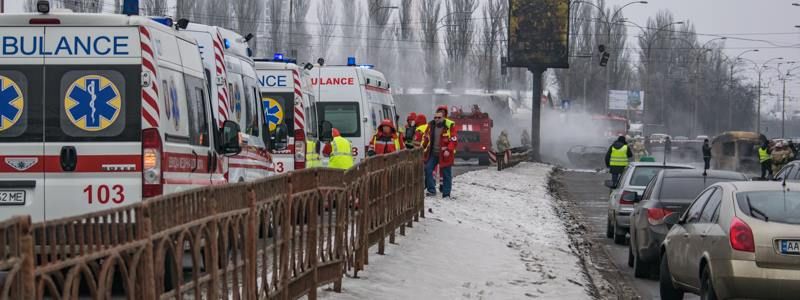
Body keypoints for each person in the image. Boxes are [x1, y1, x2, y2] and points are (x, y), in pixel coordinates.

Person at [422, 106, 457, 198]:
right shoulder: (430, 125)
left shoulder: (450, 126)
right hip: (433, 153)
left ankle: (446, 194)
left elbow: (453, 140)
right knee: (428, 169)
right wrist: (421, 148)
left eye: (439, 117)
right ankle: (431, 190)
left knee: (446, 174)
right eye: (435, 117)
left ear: (444, 116)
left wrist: (448, 150)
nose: (437, 119)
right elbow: (426, 138)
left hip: (445, 155)